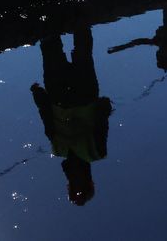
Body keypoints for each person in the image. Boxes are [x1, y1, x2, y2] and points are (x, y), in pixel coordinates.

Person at [31, 24, 113, 206]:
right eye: (81, 185)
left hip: (60, 96)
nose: (76, 181)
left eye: (73, 186)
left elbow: (48, 121)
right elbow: (101, 125)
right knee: (80, 50)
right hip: (83, 95)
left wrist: (39, 96)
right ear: (89, 181)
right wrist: (104, 107)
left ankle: (53, 18)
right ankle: (79, 16)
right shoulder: (95, 152)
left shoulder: (59, 150)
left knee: (53, 48)